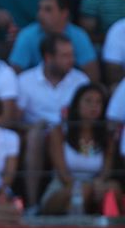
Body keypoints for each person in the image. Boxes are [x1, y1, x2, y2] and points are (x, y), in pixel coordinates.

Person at [16, 34, 89, 210]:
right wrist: (39, 127)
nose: (71, 60)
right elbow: (15, 121)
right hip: (37, 137)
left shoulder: (81, 80)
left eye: (72, 54)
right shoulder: (25, 80)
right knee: (36, 135)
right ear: (48, 57)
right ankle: (32, 204)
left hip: (71, 137)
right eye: (65, 55)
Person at [41, 83, 121, 215]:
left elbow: (105, 172)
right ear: (77, 105)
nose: (94, 106)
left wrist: (98, 184)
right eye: (88, 101)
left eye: (98, 102)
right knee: (83, 190)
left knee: (113, 187)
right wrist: (84, 188)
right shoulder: (59, 132)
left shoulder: (107, 137)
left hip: (94, 187)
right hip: (63, 187)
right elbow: (62, 174)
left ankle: (110, 224)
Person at [8, 0, 99, 81]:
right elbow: (14, 72)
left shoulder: (79, 36)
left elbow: (92, 73)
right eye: (39, 9)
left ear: (64, 13)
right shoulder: (27, 35)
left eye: (48, 10)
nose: (40, 14)